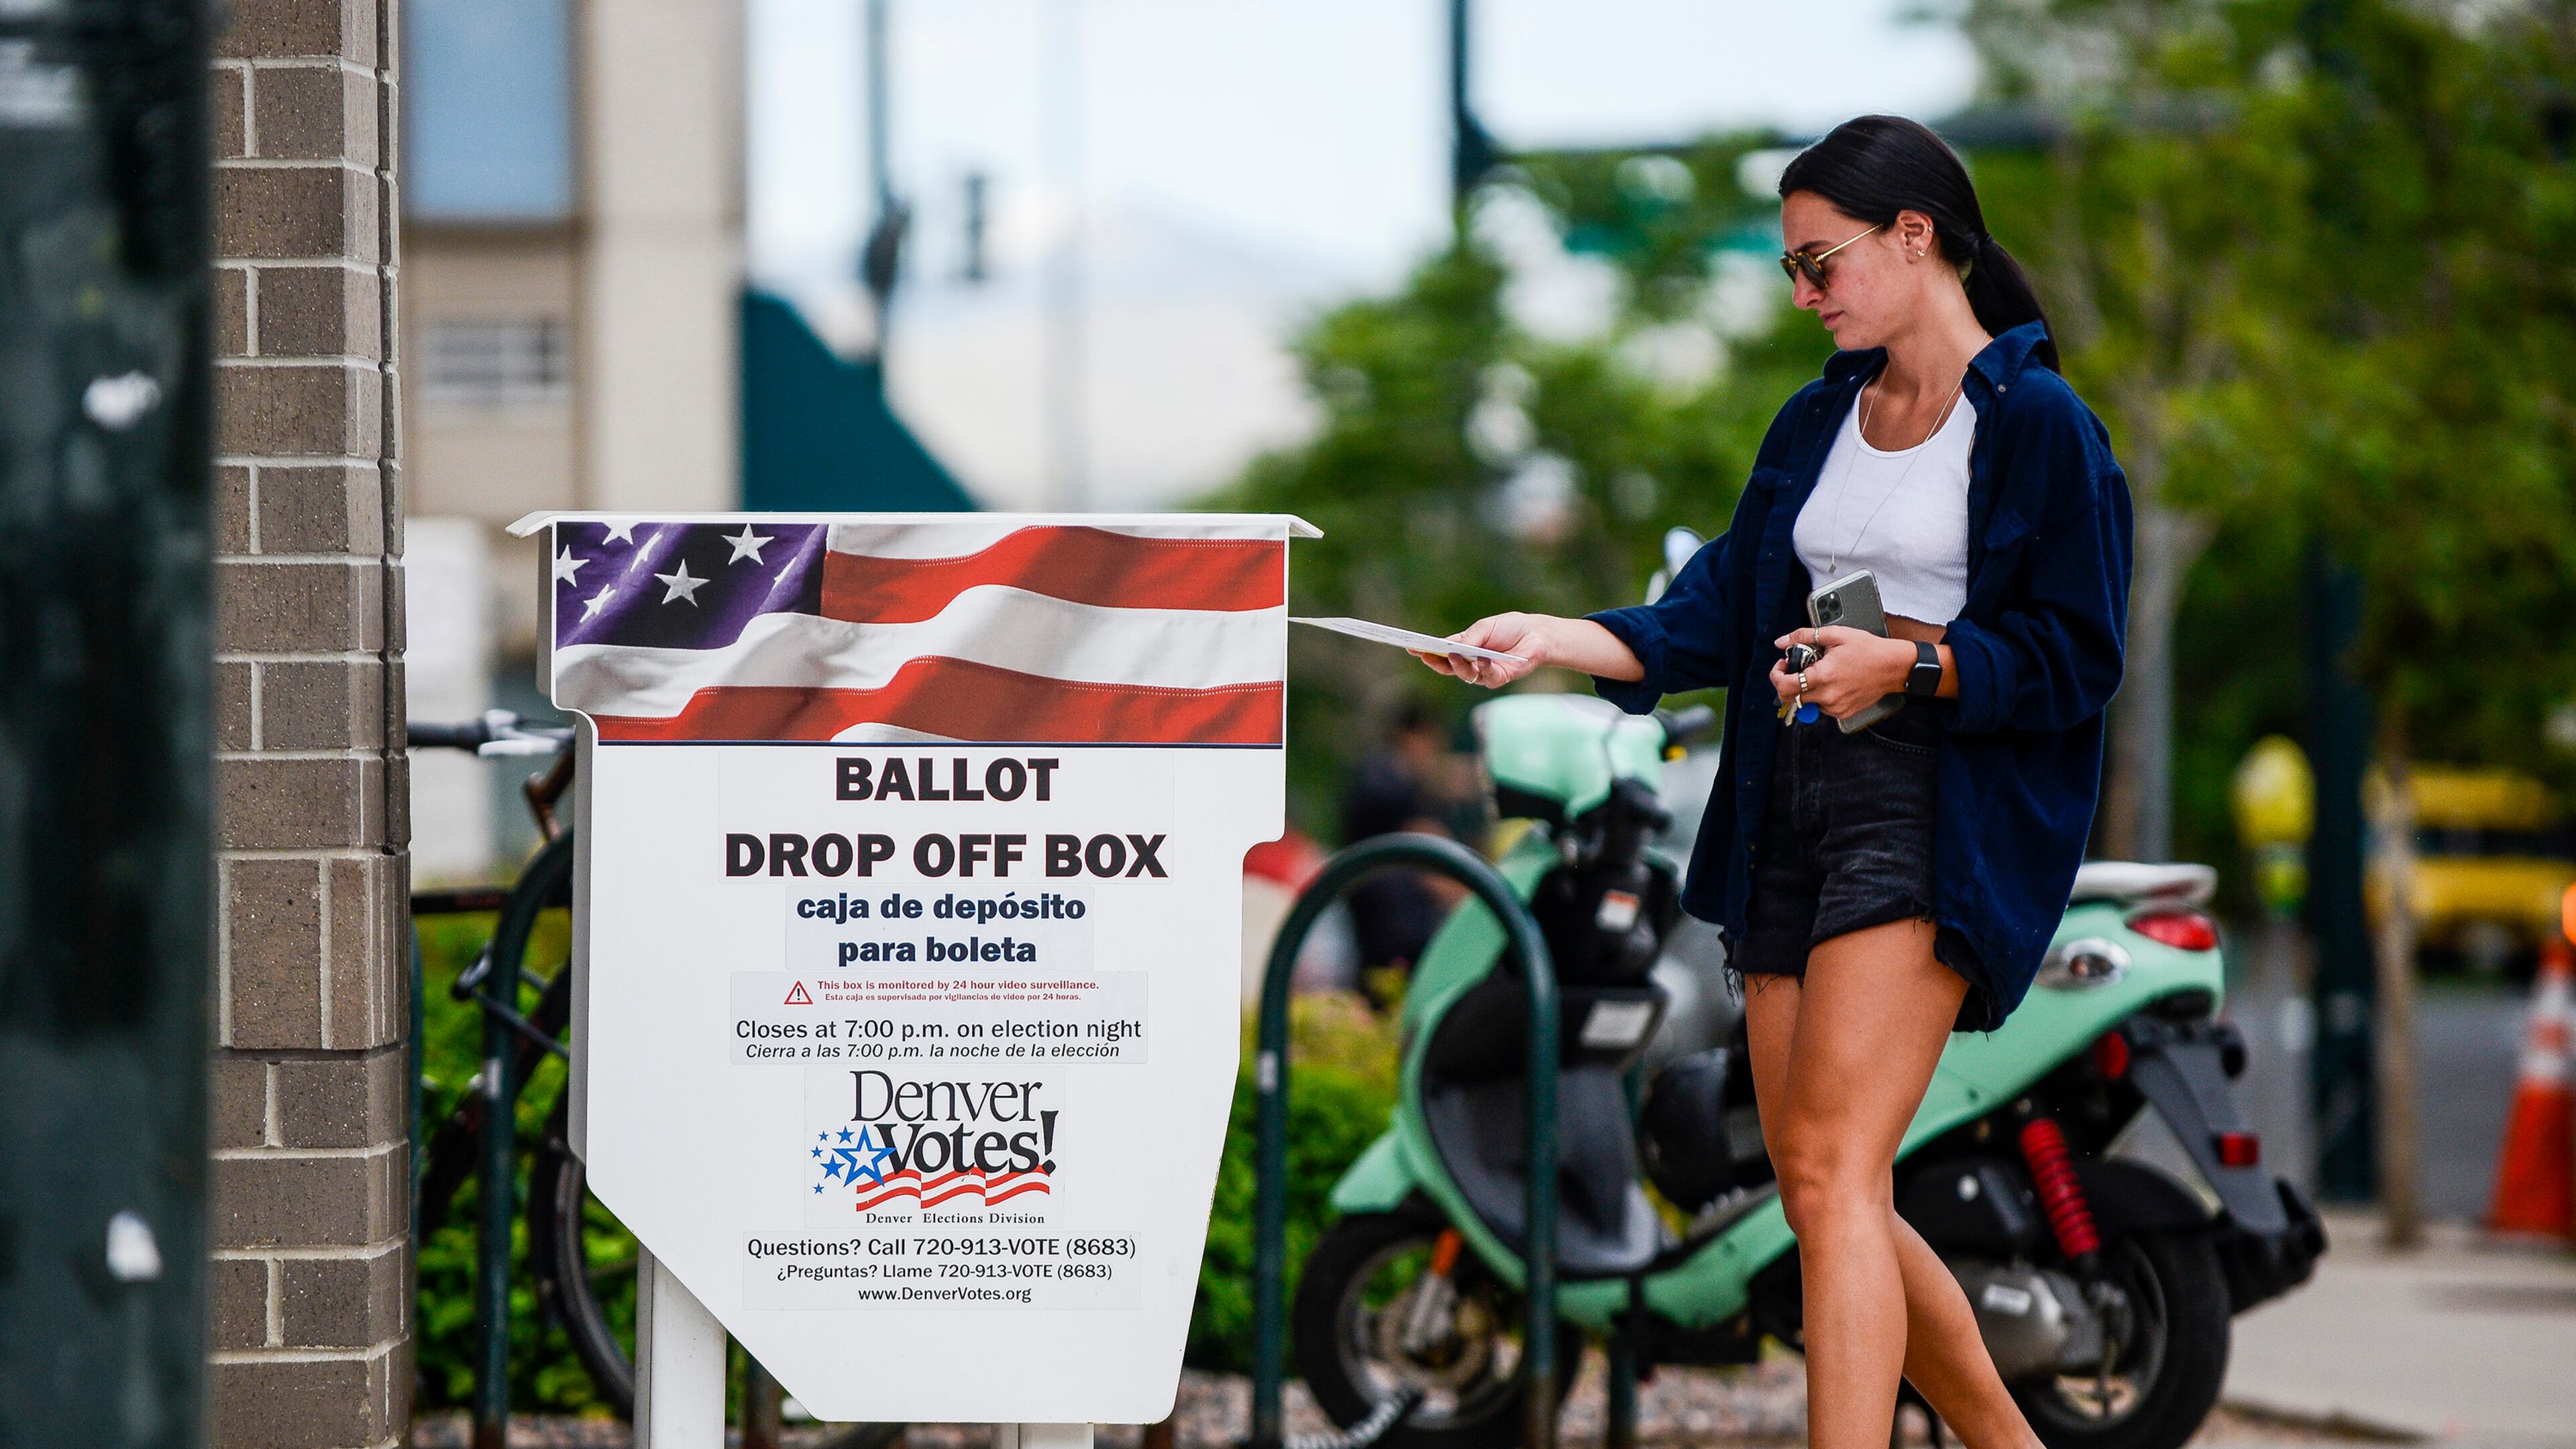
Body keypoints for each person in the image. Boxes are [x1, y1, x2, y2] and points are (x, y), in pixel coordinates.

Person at [1417, 115, 2132, 1449]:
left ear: (1916, 238)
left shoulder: (2038, 425)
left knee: (1841, 1172)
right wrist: (1542, 641)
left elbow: (2076, 657)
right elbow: (1717, 612)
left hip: (1928, 810)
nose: (1805, 296)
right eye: (1793, 271)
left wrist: (1906, 670)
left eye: (1822, 264)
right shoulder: (1818, 419)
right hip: (1783, 807)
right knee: (1817, 1184)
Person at [1339, 698, 1462, 982]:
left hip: (1379, 917)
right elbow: (1427, 846)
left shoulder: (1380, 772)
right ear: (1415, 736)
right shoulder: (1389, 780)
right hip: (1394, 924)